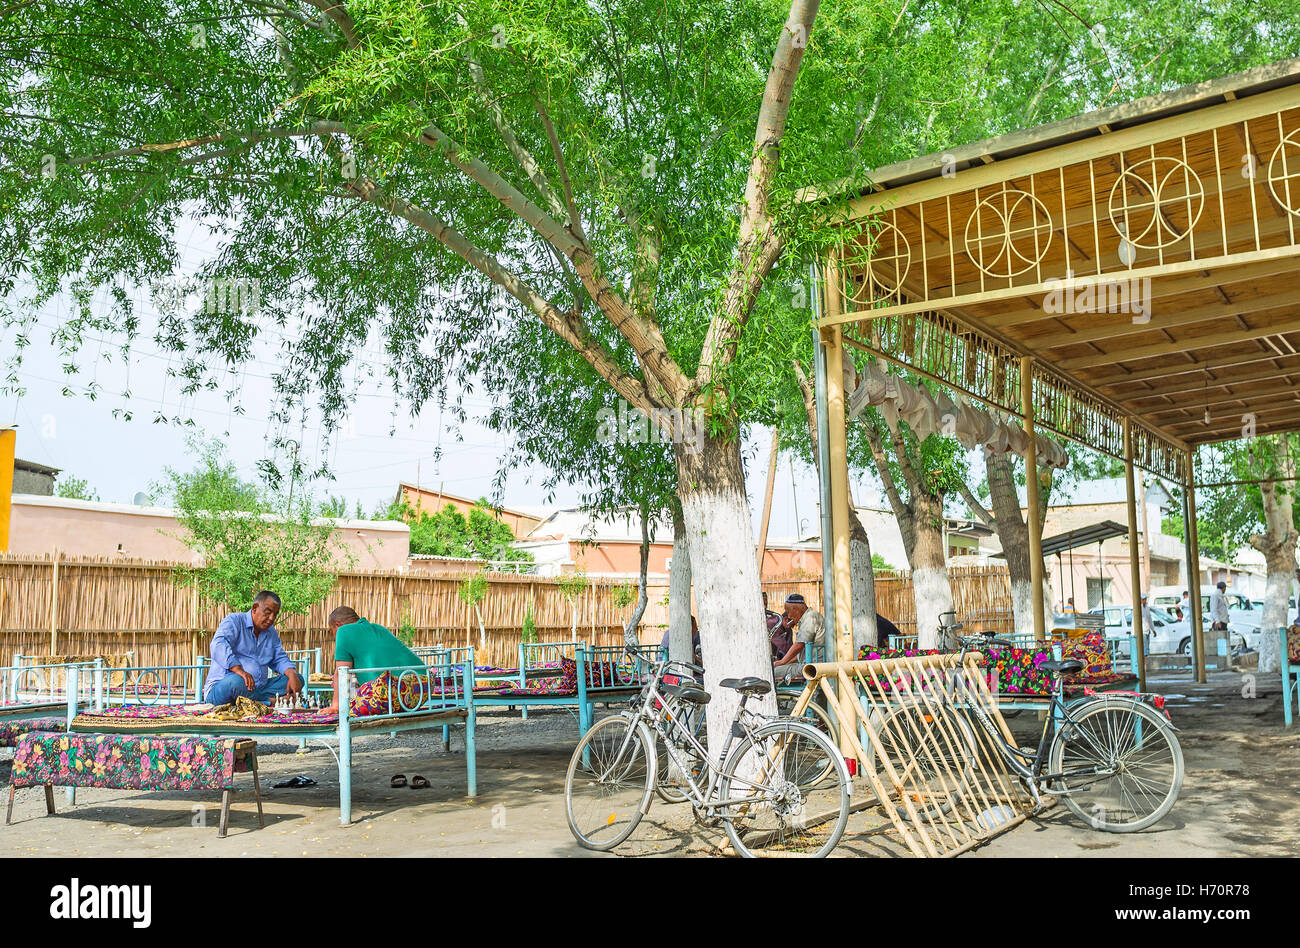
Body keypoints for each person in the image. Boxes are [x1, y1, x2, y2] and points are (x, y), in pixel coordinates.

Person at [319, 606, 426, 715]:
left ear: (337, 625)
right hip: (421, 688)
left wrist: (335, 706)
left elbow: (342, 673)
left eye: (332, 631)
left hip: (390, 694)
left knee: (357, 701)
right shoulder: (379, 628)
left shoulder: (343, 631)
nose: (334, 637)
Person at [204, 591, 303, 705]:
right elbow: (218, 645)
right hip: (224, 689)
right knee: (235, 682)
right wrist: (240, 671)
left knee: (297, 679)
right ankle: (270, 702)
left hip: (257, 689)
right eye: (268, 612)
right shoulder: (234, 621)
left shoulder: (271, 632)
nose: (272, 618)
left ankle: (256, 701)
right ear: (255, 608)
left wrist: (292, 674)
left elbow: (279, 658)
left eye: (275, 614)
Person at [774, 594, 825, 680]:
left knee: (773, 671)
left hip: (810, 666)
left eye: (788, 611)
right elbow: (799, 653)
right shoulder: (808, 616)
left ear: (796, 610)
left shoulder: (810, 617)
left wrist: (781, 662)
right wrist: (783, 662)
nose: (789, 616)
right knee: (777, 667)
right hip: (808, 662)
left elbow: (799, 645)